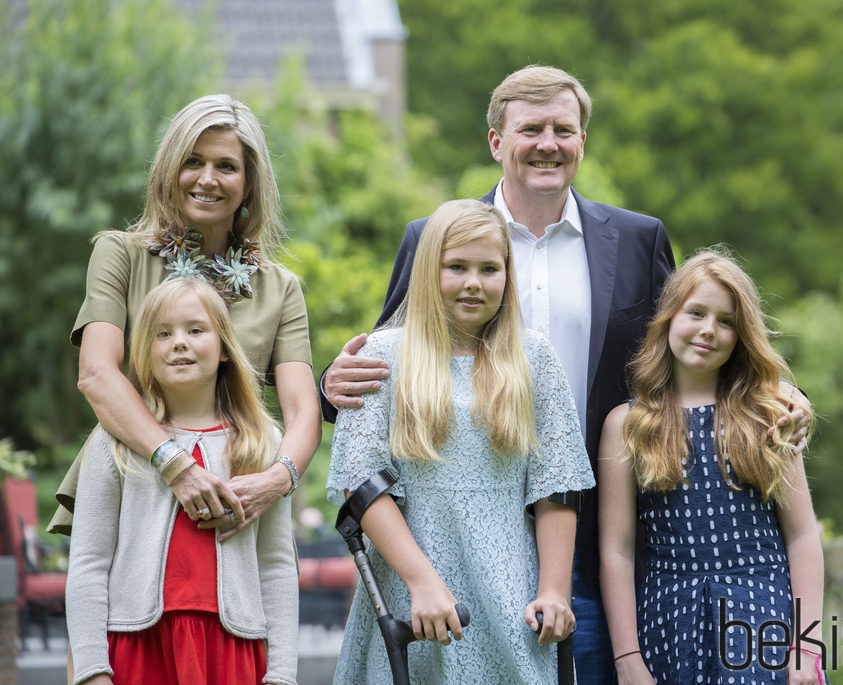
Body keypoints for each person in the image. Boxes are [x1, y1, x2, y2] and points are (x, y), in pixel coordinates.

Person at [321, 65, 811, 681]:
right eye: (531, 128)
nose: (548, 143)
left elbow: (692, 343)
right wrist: (330, 387)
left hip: (605, 514)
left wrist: (776, 389)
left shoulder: (637, 239)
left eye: (564, 128)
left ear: (582, 140)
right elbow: (394, 362)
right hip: (446, 527)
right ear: (497, 142)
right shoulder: (439, 239)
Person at [326, 200, 595, 683]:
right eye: (457, 267)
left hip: (512, 595)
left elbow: (557, 486)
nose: (474, 282)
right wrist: (422, 583)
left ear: (507, 276)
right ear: (430, 270)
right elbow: (361, 484)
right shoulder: (382, 357)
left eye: (489, 268)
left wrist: (554, 590)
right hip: (416, 595)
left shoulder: (536, 359)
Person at [49, 94, 321, 540]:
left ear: (250, 183)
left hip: (236, 502)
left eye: (227, 166)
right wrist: (177, 466)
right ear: (169, 170)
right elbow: (96, 374)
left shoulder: (280, 287)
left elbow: (302, 408)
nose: (207, 179)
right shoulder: (120, 255)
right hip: (133, 486)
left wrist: (275, 481)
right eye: (192, 161)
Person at [598, 248, 826, 685]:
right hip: (668, 627)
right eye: (696, 313)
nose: (708, 330)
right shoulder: (627, 425)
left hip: (763, 621)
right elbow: (617, 550)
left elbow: (801, 535)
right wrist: (627, 659)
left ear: (742, 336)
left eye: (726, 321)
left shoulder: (770, 413)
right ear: (667, 318)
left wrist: (806, 648)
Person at [66, 278, 298, 685]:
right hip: (137, 650)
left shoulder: (263, 442)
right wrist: (91, 672)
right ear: (145, 352)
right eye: (162, 333)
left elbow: (276, 565)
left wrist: (282, 675)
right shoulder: (113, 442)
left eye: (195, 330)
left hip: (234, 654)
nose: (179, 343)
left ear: (225, 348)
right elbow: (88, 562)